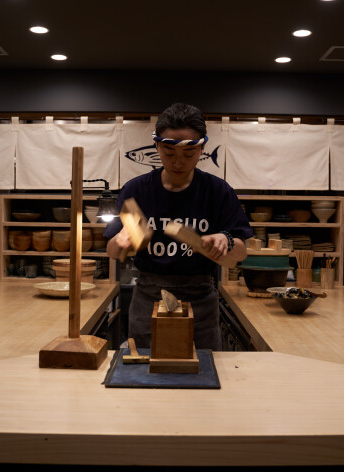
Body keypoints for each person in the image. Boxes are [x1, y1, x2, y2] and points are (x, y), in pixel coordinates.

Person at [104, 102, 252, 350]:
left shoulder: (217, 192)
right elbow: (112, 252)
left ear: (202, 148)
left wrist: (224, 240)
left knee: (203, 365)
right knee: (144, 366)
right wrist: (121, 242)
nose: (178, 163)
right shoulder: (137, 190)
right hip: (148, 297)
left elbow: (241, 253)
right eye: (169, 153)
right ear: (157, 146)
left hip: (200, 299)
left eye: (188, 154)